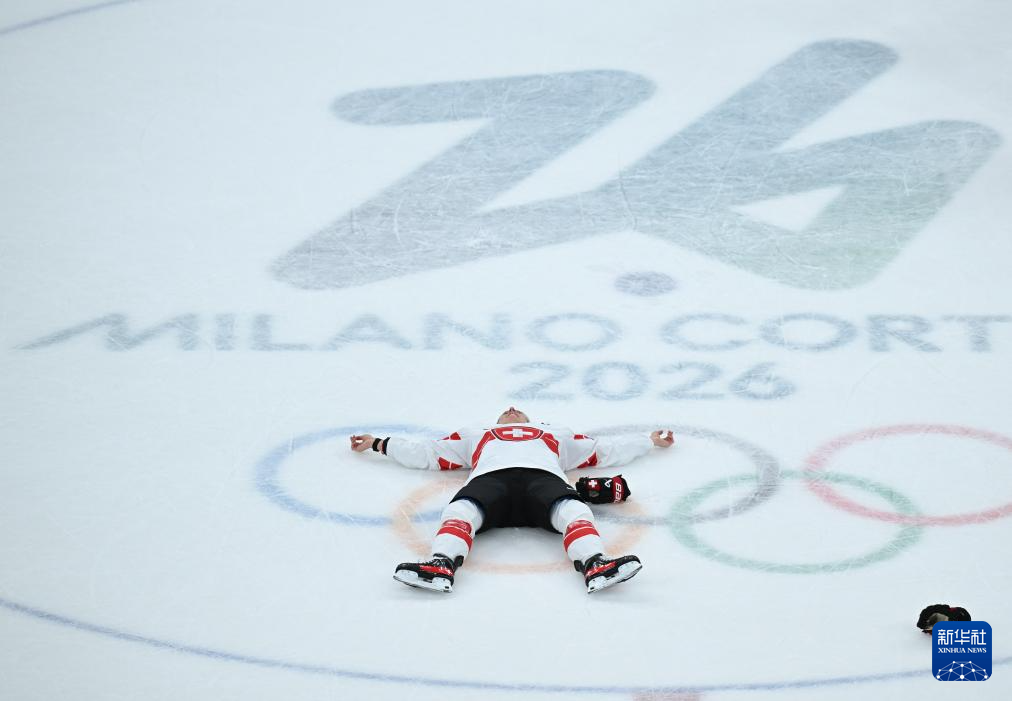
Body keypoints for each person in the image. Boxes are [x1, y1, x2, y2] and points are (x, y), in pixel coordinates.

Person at [350, 407, 675, 594]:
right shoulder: (476, 432)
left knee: (573, 509)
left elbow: (603, 450)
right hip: (491, 480)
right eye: (505, 410)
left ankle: (596, 564)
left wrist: (648, 441)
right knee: (461, 510)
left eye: (517, 409)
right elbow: (428, 453)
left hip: (542, 479)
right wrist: (379, 443)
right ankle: (440, 565)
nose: (511, 407)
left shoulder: (556, 432)